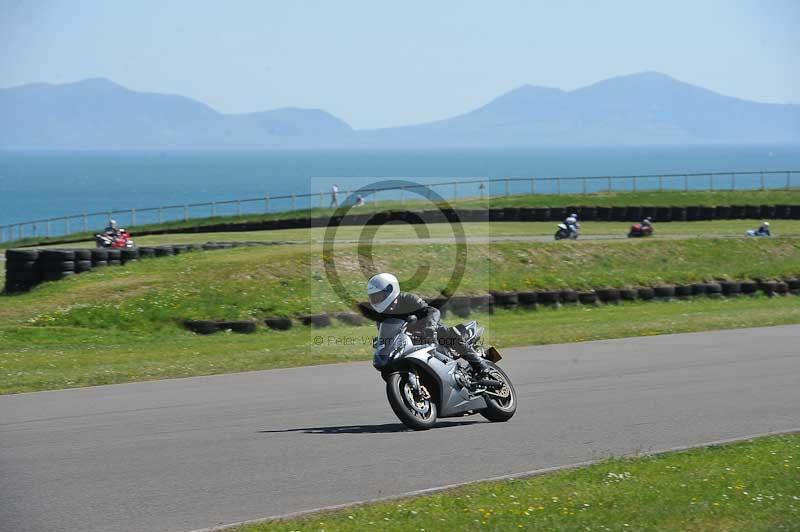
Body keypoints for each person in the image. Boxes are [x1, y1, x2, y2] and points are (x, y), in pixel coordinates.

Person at [367, 273, 491, 375]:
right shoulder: (382, 318)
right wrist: (381, 342)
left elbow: (432, 311)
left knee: (446, 333)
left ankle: (479, 364)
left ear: (390, 289)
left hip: (431, 332)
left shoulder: (408, 299)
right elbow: (389, 335)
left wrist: (430, 327)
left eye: (379, 296)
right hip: (412, 342)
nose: (377, 301)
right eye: (374, 298)